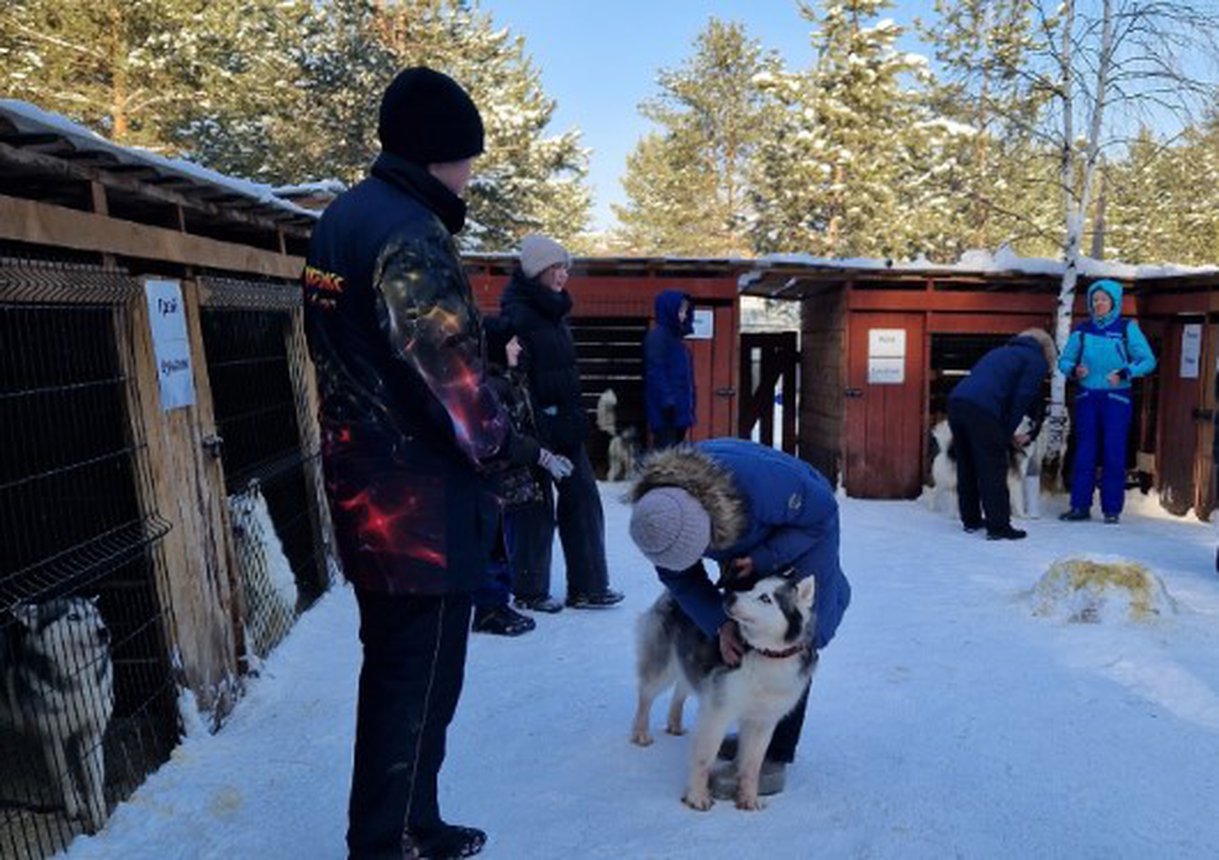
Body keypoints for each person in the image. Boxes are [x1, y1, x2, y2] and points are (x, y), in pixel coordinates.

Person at [302, 67, 568, 860]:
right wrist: (512, 446)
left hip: (369, 486)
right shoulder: (410, 231)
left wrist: (475, 335)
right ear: (438, 154)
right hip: (417, 501)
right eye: (468, 158)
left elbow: (371, 340)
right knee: (416, 680)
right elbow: (447, 381)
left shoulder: (344, 220)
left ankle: (412, 824)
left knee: (397, 673)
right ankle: (385, 841)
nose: (472, 172)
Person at [626, 438, 851, 798]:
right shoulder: (659, 518)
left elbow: (821, 515)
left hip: (805, 526)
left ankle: (773, 755)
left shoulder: (759, 486)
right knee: (743, 613)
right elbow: (680, 577)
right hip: (742, 535)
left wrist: (764, 558)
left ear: (708, 525)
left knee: (802, 632)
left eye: (699, 551)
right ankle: (746, 713)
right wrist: (720, 623)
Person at [500, 234, 624, 611]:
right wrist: (537, 436)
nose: (563, 274)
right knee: (535, 511)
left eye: (565, 267)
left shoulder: (555, 313)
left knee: (584, 502)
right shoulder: (518, 315)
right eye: (556, 267)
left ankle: (588, 587)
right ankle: (529, 591)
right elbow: (516, 383)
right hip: (537, 432)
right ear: (537, 270)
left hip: (567, 428)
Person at [477, 317, 566, 626]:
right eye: (512, 342)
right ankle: (508, 599)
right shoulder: (494, 386)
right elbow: (506, 435)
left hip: (519, 471)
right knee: (510, 536)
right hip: (508, 475)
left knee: (518, 533)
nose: (518, 347)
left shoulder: (510, 379)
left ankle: (510, 596)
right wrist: (540, 455)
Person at [1057, 279, 1157, 524]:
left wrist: (1125, 372)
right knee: (1085, 453)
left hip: (1116, 399)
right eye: (1095, 299)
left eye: (1103, 299)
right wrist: (1074, 369)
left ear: (1114, 302)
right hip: (1087, 397)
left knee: (1114, 453)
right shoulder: (1082, 330)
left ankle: (1111, 509)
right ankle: (1080, 506)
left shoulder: (1126, 328)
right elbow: (1064, 360)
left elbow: (1147, 360)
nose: (1098, 303)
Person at [947, 329, 1057, 541]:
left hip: (957, 403)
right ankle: (998, 527)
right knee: (993, 467)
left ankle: (970, 520)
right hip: (982, 409)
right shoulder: (1036, 360)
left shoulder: (1000, 352)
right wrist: (1005, 433)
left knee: (967, 464)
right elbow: (1023, 398)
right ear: (1046, 349)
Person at [644, 289, 696, 449]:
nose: (683, 315)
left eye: (685, 311)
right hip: (667, 412)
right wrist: (667, 400)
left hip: (678, 409)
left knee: (674, 452)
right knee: (665, 452)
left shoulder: (676, 340)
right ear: (669, 310)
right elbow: (655, 370)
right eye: (680, 310)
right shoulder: (658, 337)